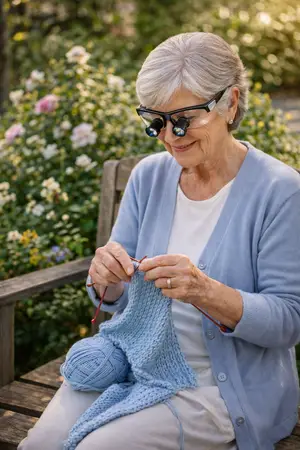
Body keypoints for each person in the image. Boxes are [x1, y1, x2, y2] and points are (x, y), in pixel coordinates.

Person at [18, 31, 300, 450]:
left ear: (231, 103)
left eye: (184, 118)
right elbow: (114, 293)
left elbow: (288, 320)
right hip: (130, 361)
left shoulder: (280, 191)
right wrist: (106, 277)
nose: (171, 135)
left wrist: (205, 292)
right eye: (156, 121)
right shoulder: (149, 177)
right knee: (41, 443)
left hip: (219, 389)